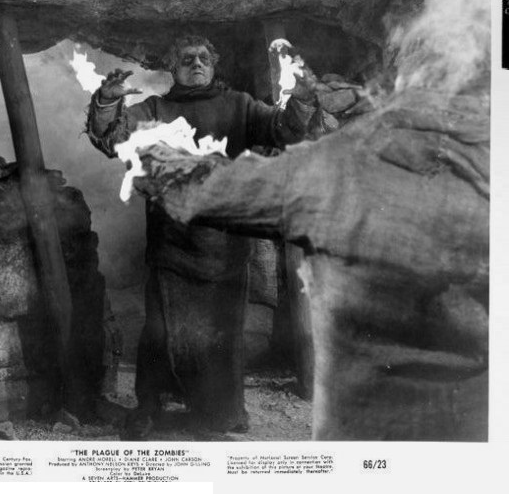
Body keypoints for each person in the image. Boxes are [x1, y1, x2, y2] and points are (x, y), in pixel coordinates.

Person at [85, 35, 333, 439]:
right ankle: (151, 406)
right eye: (186, 59)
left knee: (221, 337)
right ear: (173, 68)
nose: (196, 64)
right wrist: (107, 101)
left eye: (203, 58)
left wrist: (303, 99)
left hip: (224, 248)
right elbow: (114, 139)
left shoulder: (239, 105)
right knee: (161, 332)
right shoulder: (155, 110)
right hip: (171, 243)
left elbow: (284, 130)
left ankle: (219, 412)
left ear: (214, 65)